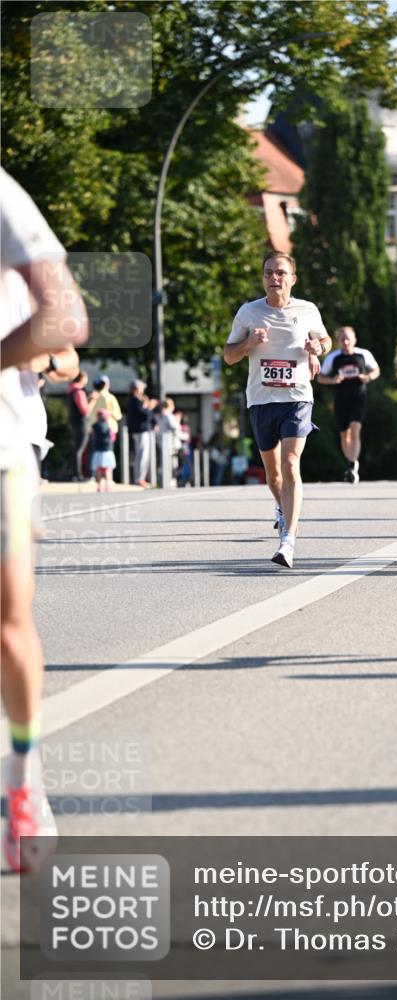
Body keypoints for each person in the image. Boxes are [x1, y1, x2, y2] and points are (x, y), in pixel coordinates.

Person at [1, 167, 88, 872]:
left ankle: (23, 780)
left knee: (9, 617)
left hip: (8, 438)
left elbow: (65, 329)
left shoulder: (3, 197)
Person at [224, 251, 331, 568]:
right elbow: (229, 355)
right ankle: (281, 508)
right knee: (273, 476)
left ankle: (288, 541)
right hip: (261, 400)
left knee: (290, 462)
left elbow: (324, 341)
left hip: (297, 398)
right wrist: (247, 345)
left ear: (292, 278)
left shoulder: (307, 310)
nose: (274, 278)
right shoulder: (249, 313)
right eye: (269, 273)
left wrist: (317, 348)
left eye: (281, 273)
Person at [317, 325, 380, 483]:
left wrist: (368, 377)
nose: (345, 341)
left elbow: (376, 370)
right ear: (338, 341)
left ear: (354, 340)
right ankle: (351, 463)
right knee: (344, 434)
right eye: (342, 339)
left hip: (359, 397)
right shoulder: (334, 357)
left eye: (348, 338)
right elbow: (320, 377)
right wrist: (333, 380)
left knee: (355, 429)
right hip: (341, 399)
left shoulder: (363, 354)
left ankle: (352, 466)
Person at [125, 378, 157, 487]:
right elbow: (143, 415)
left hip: (140, 430)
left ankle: (140, 478)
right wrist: (149, 407)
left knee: (142, 455)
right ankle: (139, 478)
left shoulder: (135, 400)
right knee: (142, 455)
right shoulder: (135, 400)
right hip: (140, 430)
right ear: (137, 388)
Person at [67, 370, 92, 480]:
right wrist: (92, 400)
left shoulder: (71, 390)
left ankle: (75, 473)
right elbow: (85, 411)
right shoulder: (79, 392)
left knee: (77, 448)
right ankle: (78, 474)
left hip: (74, 421)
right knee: (79, 449)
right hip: (81, 423)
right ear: (82, 379)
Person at [87, 374, 122, 441]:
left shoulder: (90, 397)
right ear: (106, 384)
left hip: (93, 430)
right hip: (108, 429)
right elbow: (118, 416)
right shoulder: (110, 397)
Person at [89, 409, 116, 492]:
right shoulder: (109, 426)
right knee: (108, 469)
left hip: (98, 450)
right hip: (108, 450)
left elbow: (93, 436)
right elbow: (113, 438)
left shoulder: (95, 426)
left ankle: (99, 486)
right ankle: (108, 485)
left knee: (98, 469)